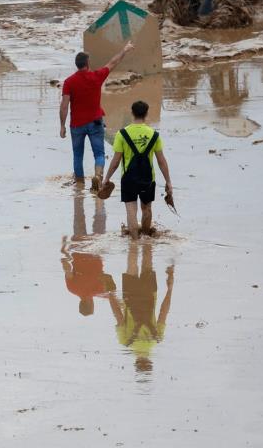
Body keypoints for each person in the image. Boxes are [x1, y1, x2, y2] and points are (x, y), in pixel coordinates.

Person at [59, 41, 136, 190]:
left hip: (77, 125)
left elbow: (64, 106)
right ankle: (98, 177)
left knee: (77, 155)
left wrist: (62, 126)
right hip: (95, 122)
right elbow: (113, 63)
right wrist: (124, 50)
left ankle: (80, 184)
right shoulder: (96, 76)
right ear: (87, 63)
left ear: (77, 64)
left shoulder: (69, 82)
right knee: (99, 153)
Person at [102, 101, 173, 239]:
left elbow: (116, 161)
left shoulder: (122, 134)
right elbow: (161, 161)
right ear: (146, 114)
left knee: (131, 212)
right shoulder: (154, 135)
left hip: (128, 178)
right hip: (148, 178)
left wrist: (107, 178)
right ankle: (146, 239)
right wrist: (168, 181)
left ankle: (134, 243)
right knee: (147, 209)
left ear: (132, 113)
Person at [107, 241, 174, 374]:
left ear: (150, 362)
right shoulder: (125, 342)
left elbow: (163, 312)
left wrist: (170, 288)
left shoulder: (157, 339)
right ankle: (134, 236)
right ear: (136, 363)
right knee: (132, 259)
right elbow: (118, 315)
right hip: (130, 296)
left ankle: (145, 235)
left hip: (149, 295)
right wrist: (111, 293)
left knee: (147, 256)